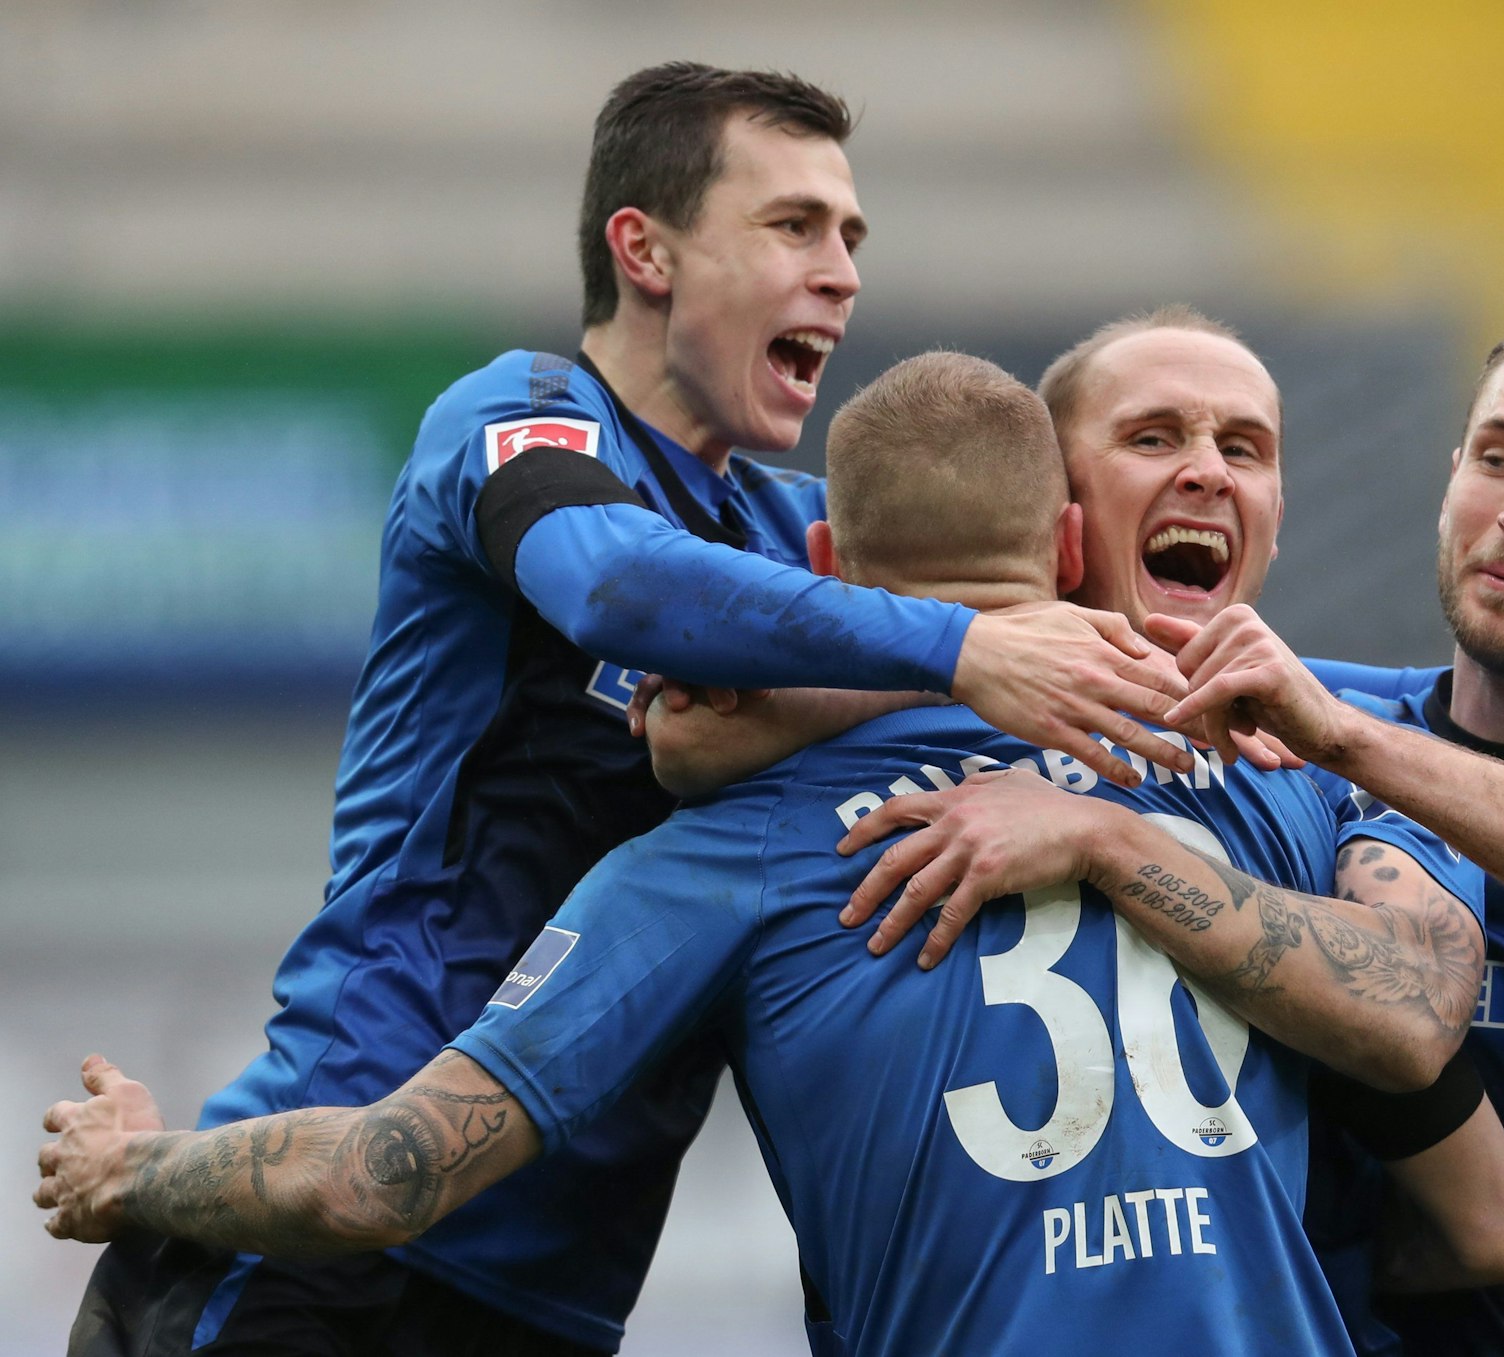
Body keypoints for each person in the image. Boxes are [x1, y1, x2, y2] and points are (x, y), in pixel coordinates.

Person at [39, 352, 1498, 1357]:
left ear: (820, 572)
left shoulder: (726, 852)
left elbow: (378, 1176)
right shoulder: (1275, 766)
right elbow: (1466, 1142)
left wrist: (133, 1169)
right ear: (1069, 546)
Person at [65, 63, 1188, 1357]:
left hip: (557, 1285)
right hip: (329, 1225)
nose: (841, 274)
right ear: (644, 250)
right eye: (794, 226)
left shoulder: (790, 541)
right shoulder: (516, 418)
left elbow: (1018, 599)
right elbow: (612, 584)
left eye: (851, 237)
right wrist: (958, 646)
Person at [855, 291, 1504, 1356]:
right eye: (1497, 459)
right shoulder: (1285, 722)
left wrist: (1338, 741)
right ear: (1450, 480)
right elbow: (919, 581)